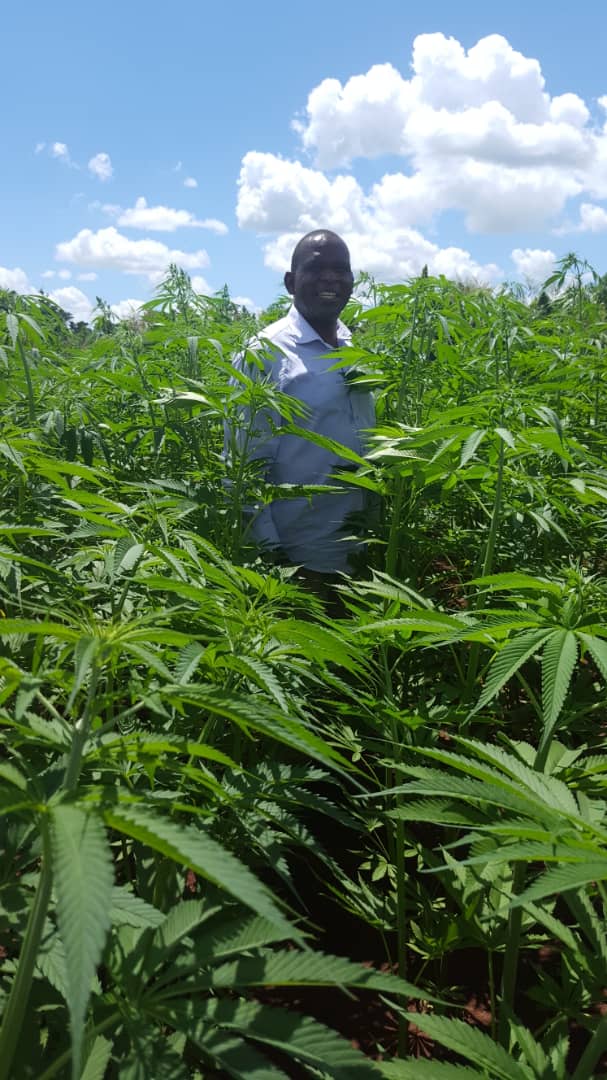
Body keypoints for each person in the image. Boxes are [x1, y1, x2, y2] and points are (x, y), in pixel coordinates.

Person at [227, 229, 375, 584]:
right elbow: (243, 468)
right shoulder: (265, 353)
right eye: (316, 268)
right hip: (300, 560)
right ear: (291, 282)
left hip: (361, 551)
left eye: (341, 269)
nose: (331, 278)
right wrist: (274, 559)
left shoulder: (355, 347)